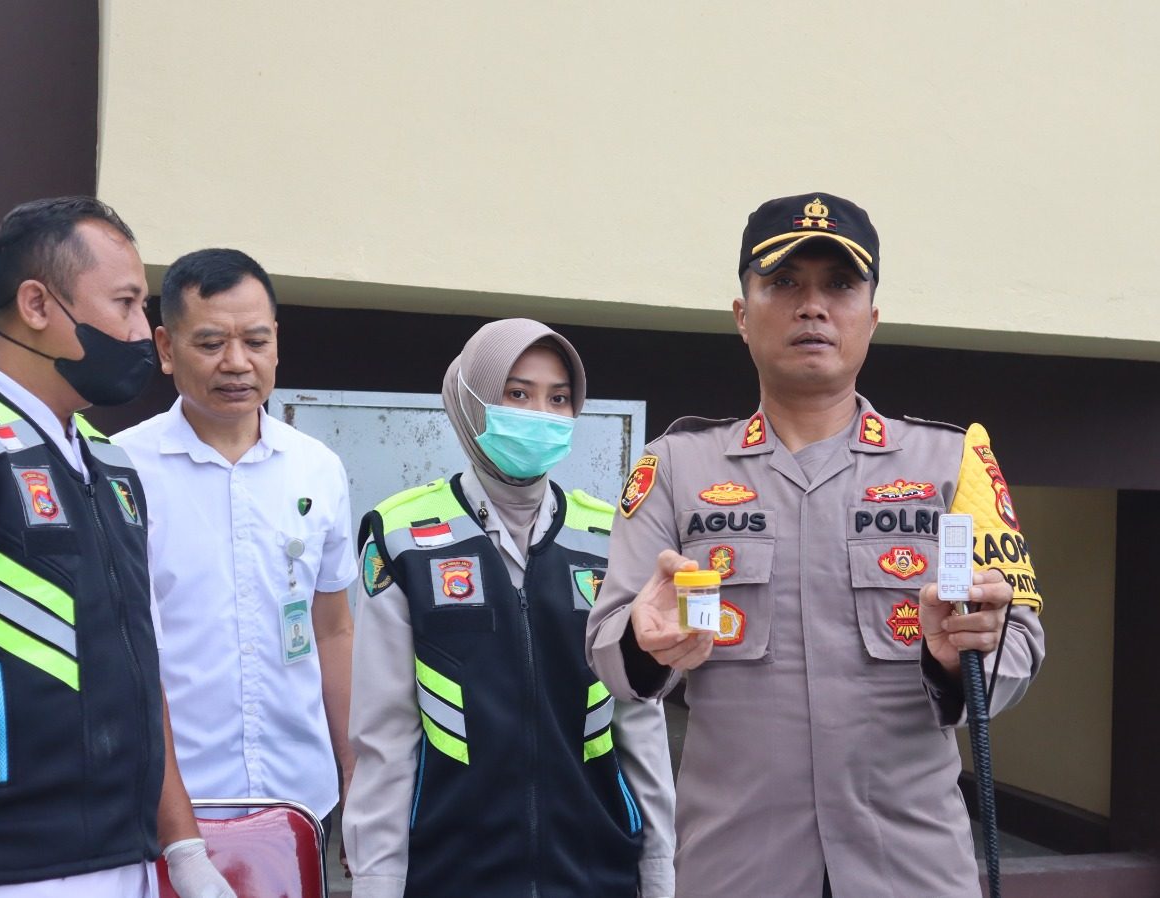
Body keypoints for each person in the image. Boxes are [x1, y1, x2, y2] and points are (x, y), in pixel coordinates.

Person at [585, 193, 1046, 898]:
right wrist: (644, 645)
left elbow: (1021, 643)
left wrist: (964, 659)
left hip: (911, 869)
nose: (812, 307)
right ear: (742, 316)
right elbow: (610, 649)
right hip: (737, 868)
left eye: (838, 285)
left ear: (871, 317)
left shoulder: (952, 464)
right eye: (782, 283)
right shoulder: (674, 468)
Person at [0, 197, 232, 897]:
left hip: (126, 863)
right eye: (124, 303)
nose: (141, 332)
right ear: (36, 304)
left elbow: (140, 665)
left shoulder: (109, 463)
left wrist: (184, 850)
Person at [344, 319, 676, 898]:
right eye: (517, 394)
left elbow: (640, 721)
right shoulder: (401, 536)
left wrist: (659, 872)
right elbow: (384, 736)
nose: (540, 414)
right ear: (471, 402)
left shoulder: (608, 537)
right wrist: (378, 882)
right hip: (450, 875)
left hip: (595, 871)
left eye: (559, 398)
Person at [114, 249, 357, 839]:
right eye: (210, 343)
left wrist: (355, 773)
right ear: (166, 348)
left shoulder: (317, 468)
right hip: (166, 804)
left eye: (255, 341)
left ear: (275, 342)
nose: (237, 363)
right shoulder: (118, 470)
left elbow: (332, 629)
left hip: (300, 797)